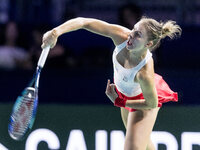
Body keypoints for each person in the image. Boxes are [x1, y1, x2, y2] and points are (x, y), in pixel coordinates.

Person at [41, 17, 181, 150]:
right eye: (133, 29)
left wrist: (121, 102)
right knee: (142, 143)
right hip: (125, 95)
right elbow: (85, 22)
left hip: (143, 101)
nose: (131, 35)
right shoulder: (121, 36)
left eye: (138, 34)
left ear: (148, 44)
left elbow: (152, 103)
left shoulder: (144, 73)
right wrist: (55, 32)